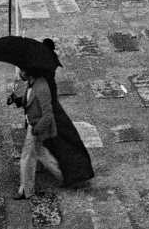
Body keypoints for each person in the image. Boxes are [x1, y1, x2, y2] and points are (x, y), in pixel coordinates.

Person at [10, 40, 94, 199]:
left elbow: (45, 110)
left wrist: (36, 129)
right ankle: (64, 175)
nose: (20, 73)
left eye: (22, 70)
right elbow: (30, 100)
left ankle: (26, 190)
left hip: (39, 124)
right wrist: (17, 100)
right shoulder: (35, 81)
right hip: (38, 122)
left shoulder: (42, 86)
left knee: (29, 156)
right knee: (41, 151)